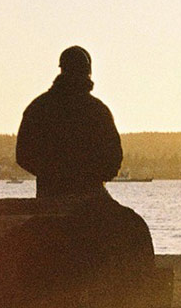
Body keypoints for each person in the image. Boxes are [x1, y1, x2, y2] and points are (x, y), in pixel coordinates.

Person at [15, 46, 123, 199]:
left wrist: (51, 174)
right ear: (88, 72)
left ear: (62, 69)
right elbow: (113, 159)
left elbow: (23, 155)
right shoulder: (98, 111)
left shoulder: (38, 108)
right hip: (92, 198)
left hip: (49, 197)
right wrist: (88, 177)